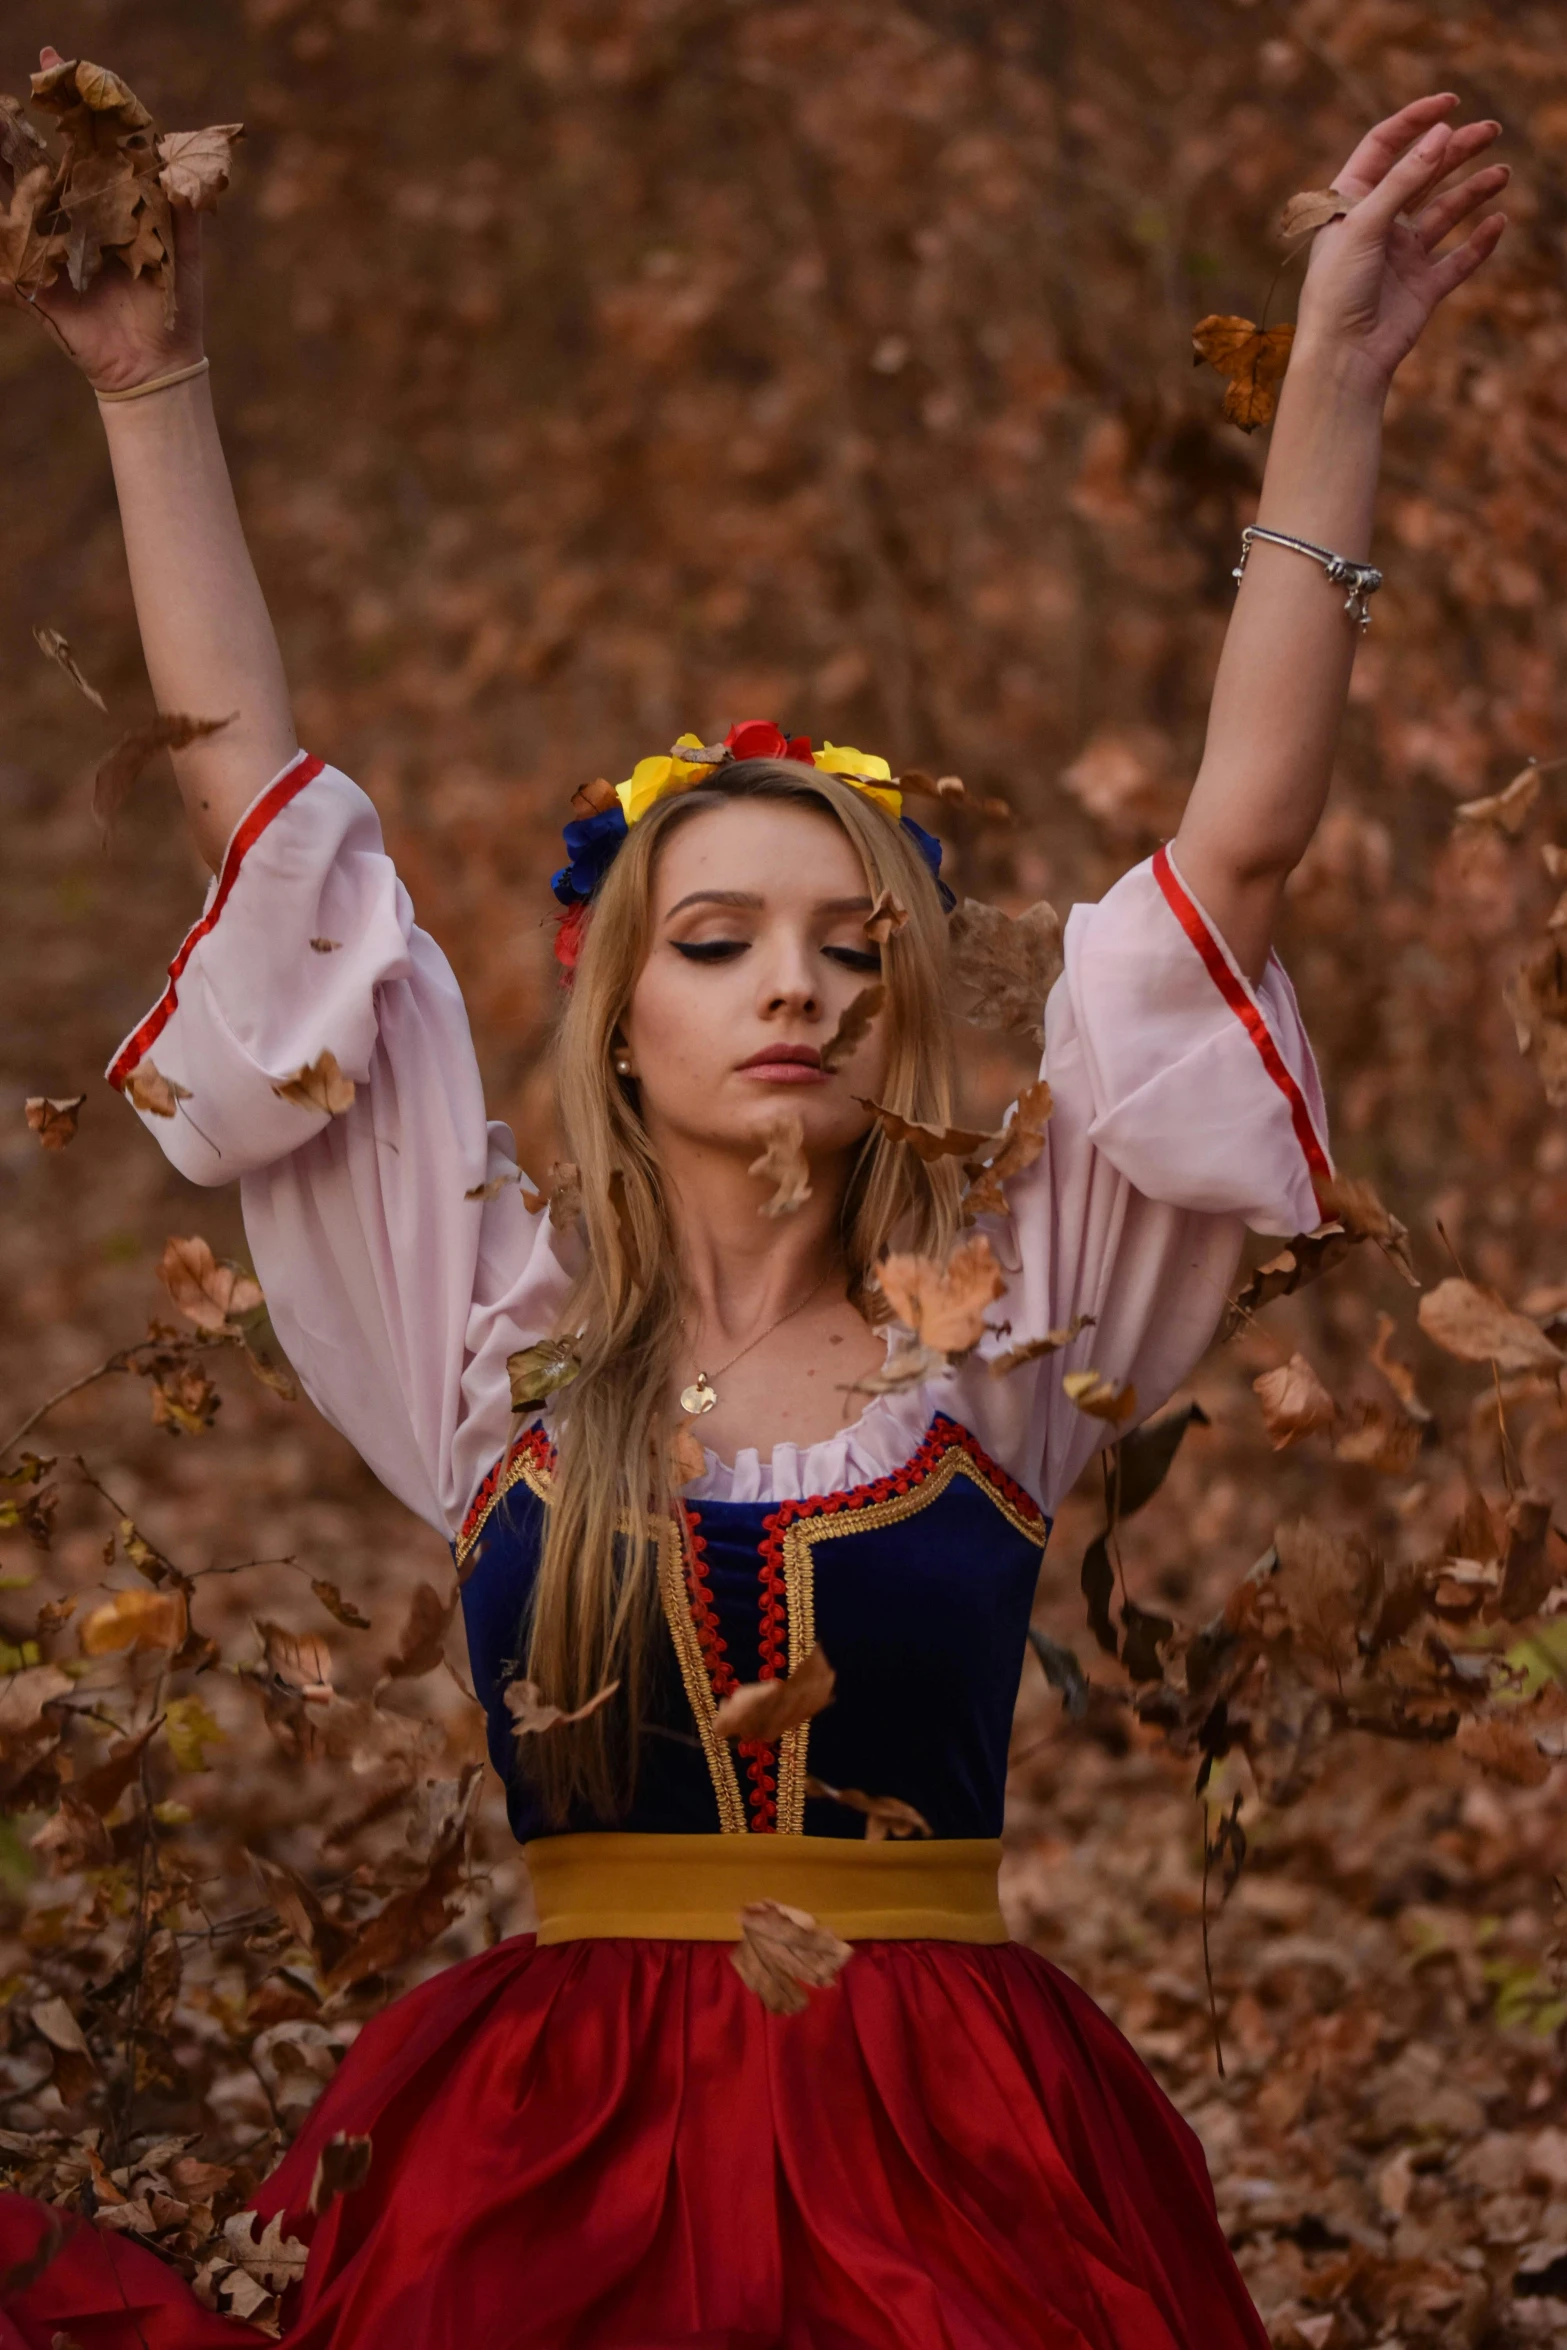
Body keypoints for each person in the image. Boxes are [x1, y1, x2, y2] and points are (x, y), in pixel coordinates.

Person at [0, 46, 1507, 2350]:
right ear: (621, 1014)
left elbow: (1243, 843)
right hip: (551, 2167)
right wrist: (149, 383)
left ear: (901, 1010)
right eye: (716, 942)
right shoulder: (494, 1340)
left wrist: (1331, 384)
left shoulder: (1005, 1325)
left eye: (846, 942)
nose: (789, 984)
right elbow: (268, 832)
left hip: (962, 2163)